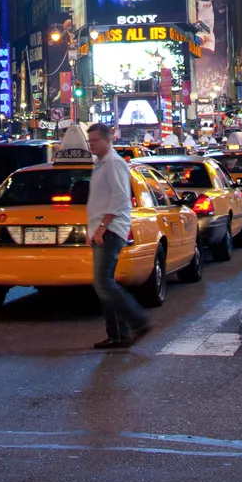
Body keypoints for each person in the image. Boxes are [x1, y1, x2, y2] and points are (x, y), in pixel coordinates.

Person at [85, 122, 150, 349]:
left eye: (94, 140)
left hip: (111, 230)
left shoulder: (113, 163)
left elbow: (120, 199)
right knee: (105, 284)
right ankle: (118, 335)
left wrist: (102, 227)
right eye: (89, 141)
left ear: (107, 139)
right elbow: (99, 200)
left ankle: (138, 321)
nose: (91, 144)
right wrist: (91, 229)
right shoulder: (100, 164)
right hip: (102, 230)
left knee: (103, 283)